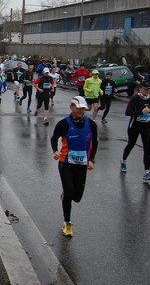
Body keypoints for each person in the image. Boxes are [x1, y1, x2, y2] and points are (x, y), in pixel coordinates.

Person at [50, 96, 97, 237]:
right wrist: (56, 151)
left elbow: (94, 142)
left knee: (77, 197)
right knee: (70, 194)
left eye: (83, 108)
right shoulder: (63, 124)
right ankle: (67, 223)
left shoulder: (91, 124)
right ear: (71, 107)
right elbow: (54, 139)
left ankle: (66, 195)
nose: (80, 111)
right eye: (78, 108)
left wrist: (92, 160)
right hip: (66, 163)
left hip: (82, 165)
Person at [121, 81, 150, 180]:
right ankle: (123, 161)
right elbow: (127, 112)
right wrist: (141, 112)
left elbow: (149, 107)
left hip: (146, 126)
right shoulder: (135, 99)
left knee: (147, 148)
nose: (147, 91)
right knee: (131, 144)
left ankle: (147, 172)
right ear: (140, 88)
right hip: (134, 126)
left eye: (149, 89)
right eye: (145, 89)